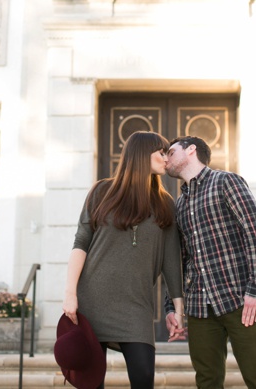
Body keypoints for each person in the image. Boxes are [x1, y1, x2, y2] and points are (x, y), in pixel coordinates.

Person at [62, 131, 183, 389]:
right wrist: (70, 293)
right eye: (160, 152)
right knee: (91, 383)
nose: (166, 158)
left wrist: (178, 309)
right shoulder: (101, 191)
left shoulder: (165, 204)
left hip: (136, 307)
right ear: (140, 154)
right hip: (92, 301)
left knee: (143, 379)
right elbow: (80, 243)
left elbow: (172, 260)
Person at [162, 135, 256, 389]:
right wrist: (172, 307)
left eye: (170, 151)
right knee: (207, 381)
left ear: (191, 150)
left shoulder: (226, 182)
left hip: (241, 302)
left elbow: (255, 231)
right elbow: (180, 259)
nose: (165, 158)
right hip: (200, 308)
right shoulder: (179, 204)